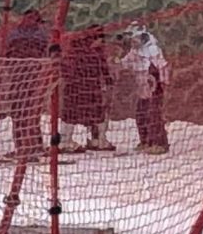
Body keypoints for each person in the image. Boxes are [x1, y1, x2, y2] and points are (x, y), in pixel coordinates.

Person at [0, 7, 49, 159]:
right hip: (22, 77)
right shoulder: (18, 34)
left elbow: (42, 54)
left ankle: (30, 147)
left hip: (29, 78)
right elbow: (8, 55)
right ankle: (26, 147)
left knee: (28, 113)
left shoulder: (38, 35)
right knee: (22, 113)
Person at [62, 24, 113, 152]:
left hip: (88, 88)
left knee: (96, 113)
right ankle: (65, 141)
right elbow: (67, 68)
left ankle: (98, 139)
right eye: (100, 39)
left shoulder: (94, 51)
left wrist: (108, 80)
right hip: (79, 88)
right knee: (73, 113)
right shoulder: (79, 50)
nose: (102, 43)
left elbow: (103, 67)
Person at [123, 24, 170, 154]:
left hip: (154, 86)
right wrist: (117, 63)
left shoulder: (152, 49)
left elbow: (161, 67)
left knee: (153, 114)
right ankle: (145, 140)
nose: (132, 42)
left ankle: (159, 143)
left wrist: (159, 82)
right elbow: (126, 62)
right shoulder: (134, 51)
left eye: (134, 39)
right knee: (141, 113)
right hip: (142, 88)